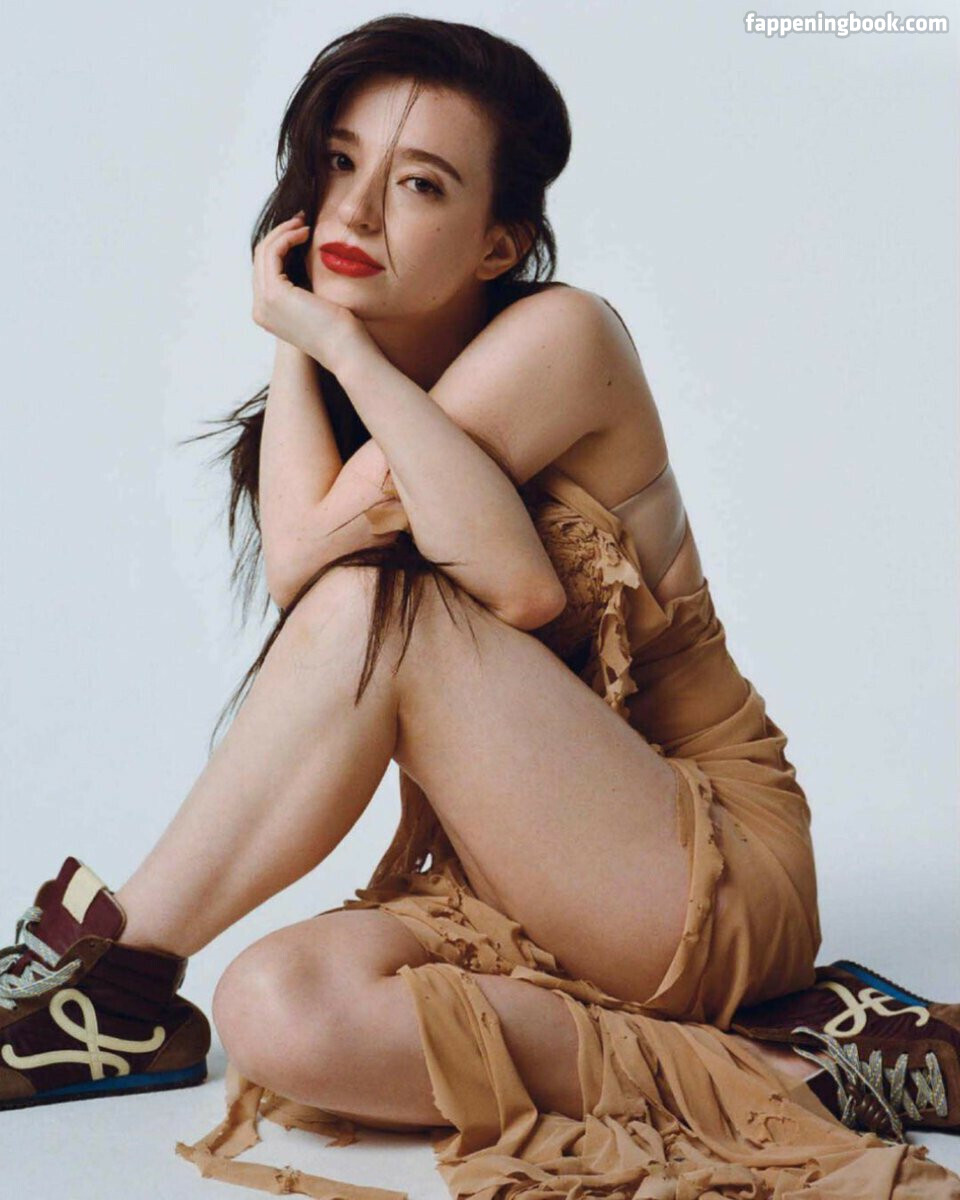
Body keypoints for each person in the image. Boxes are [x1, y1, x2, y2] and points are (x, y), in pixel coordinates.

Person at [2, 14, 958, 1199]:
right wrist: (313, 339)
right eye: (339, 163)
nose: (355, 212)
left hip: (703, 863)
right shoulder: (363, 385)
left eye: (419, 184)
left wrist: (321, 333)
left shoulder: (562, 335)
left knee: (379, 607)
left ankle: (110, 973)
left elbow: (498, 584)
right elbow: (304, 561)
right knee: (275, 1006)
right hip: (521, 877)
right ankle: (791, 1060)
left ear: (500, 242)